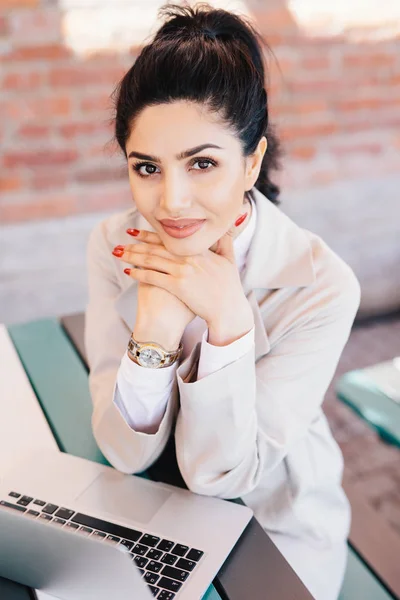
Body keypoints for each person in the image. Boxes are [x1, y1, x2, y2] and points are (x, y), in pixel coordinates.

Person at [84, 4, 361, 599]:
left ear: (251, 161)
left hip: (277, 527)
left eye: (203, 163)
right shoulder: (114, 244)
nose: (171, 201)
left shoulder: (322, 286)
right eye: (147, 167)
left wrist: (229, 323)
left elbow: (222, 475)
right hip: (153, 508)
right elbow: (122, 448)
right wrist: (155, 330)